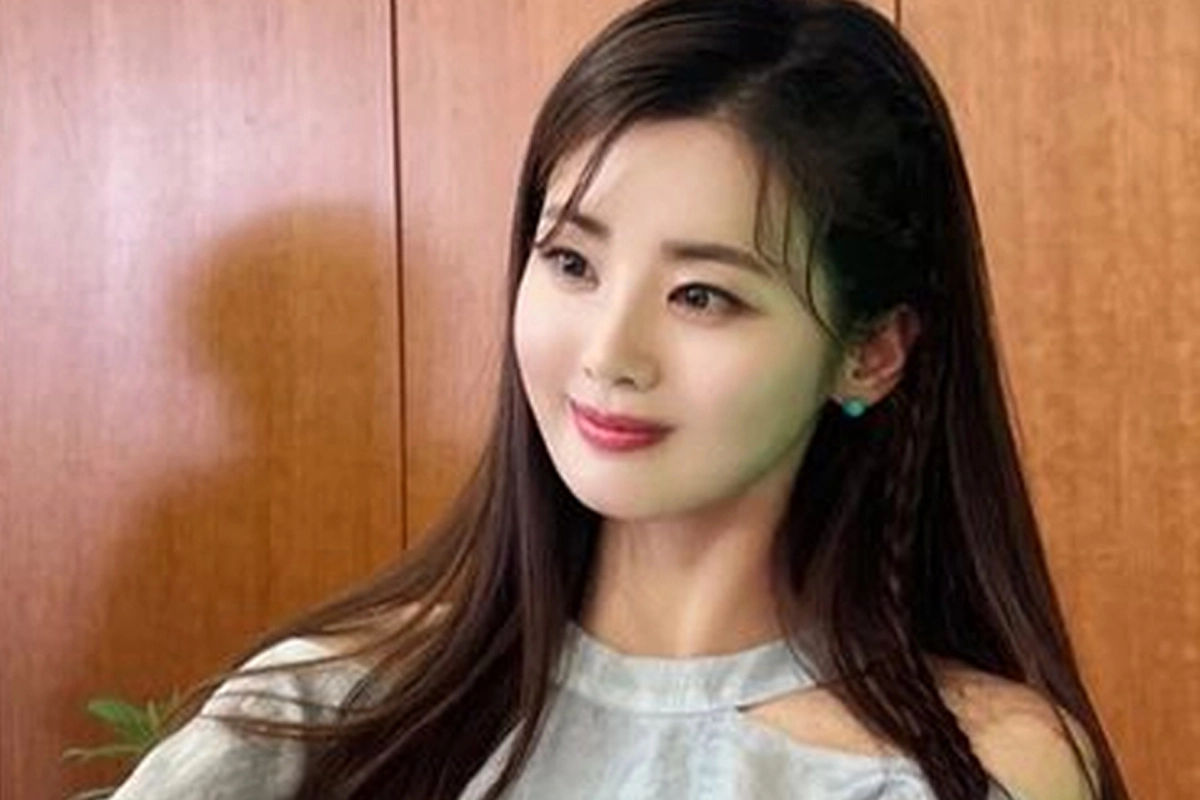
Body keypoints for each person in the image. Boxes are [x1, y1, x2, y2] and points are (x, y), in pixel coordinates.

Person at [110, 0, 1130, 798]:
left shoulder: (977, 767)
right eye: (571, 262)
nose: (609, 353)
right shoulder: (320, 716)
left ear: (869, 354)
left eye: (702, 295)